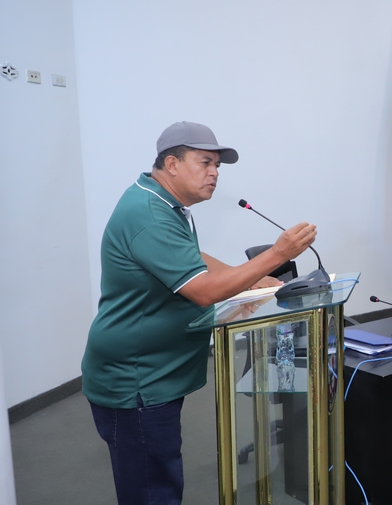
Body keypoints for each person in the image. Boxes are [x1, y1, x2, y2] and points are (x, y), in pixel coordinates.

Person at [81, 122, 318, 505]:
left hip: (153, 373)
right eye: (205, 162)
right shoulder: (149, 213)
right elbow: (204, 291)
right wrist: (277, 254)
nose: (214, 173)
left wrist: (248, 281)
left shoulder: (163, 202)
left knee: (159, 481)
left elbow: (191, 258)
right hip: (136, 379)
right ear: (172, 164)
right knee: (152, 491)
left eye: (217, 166)